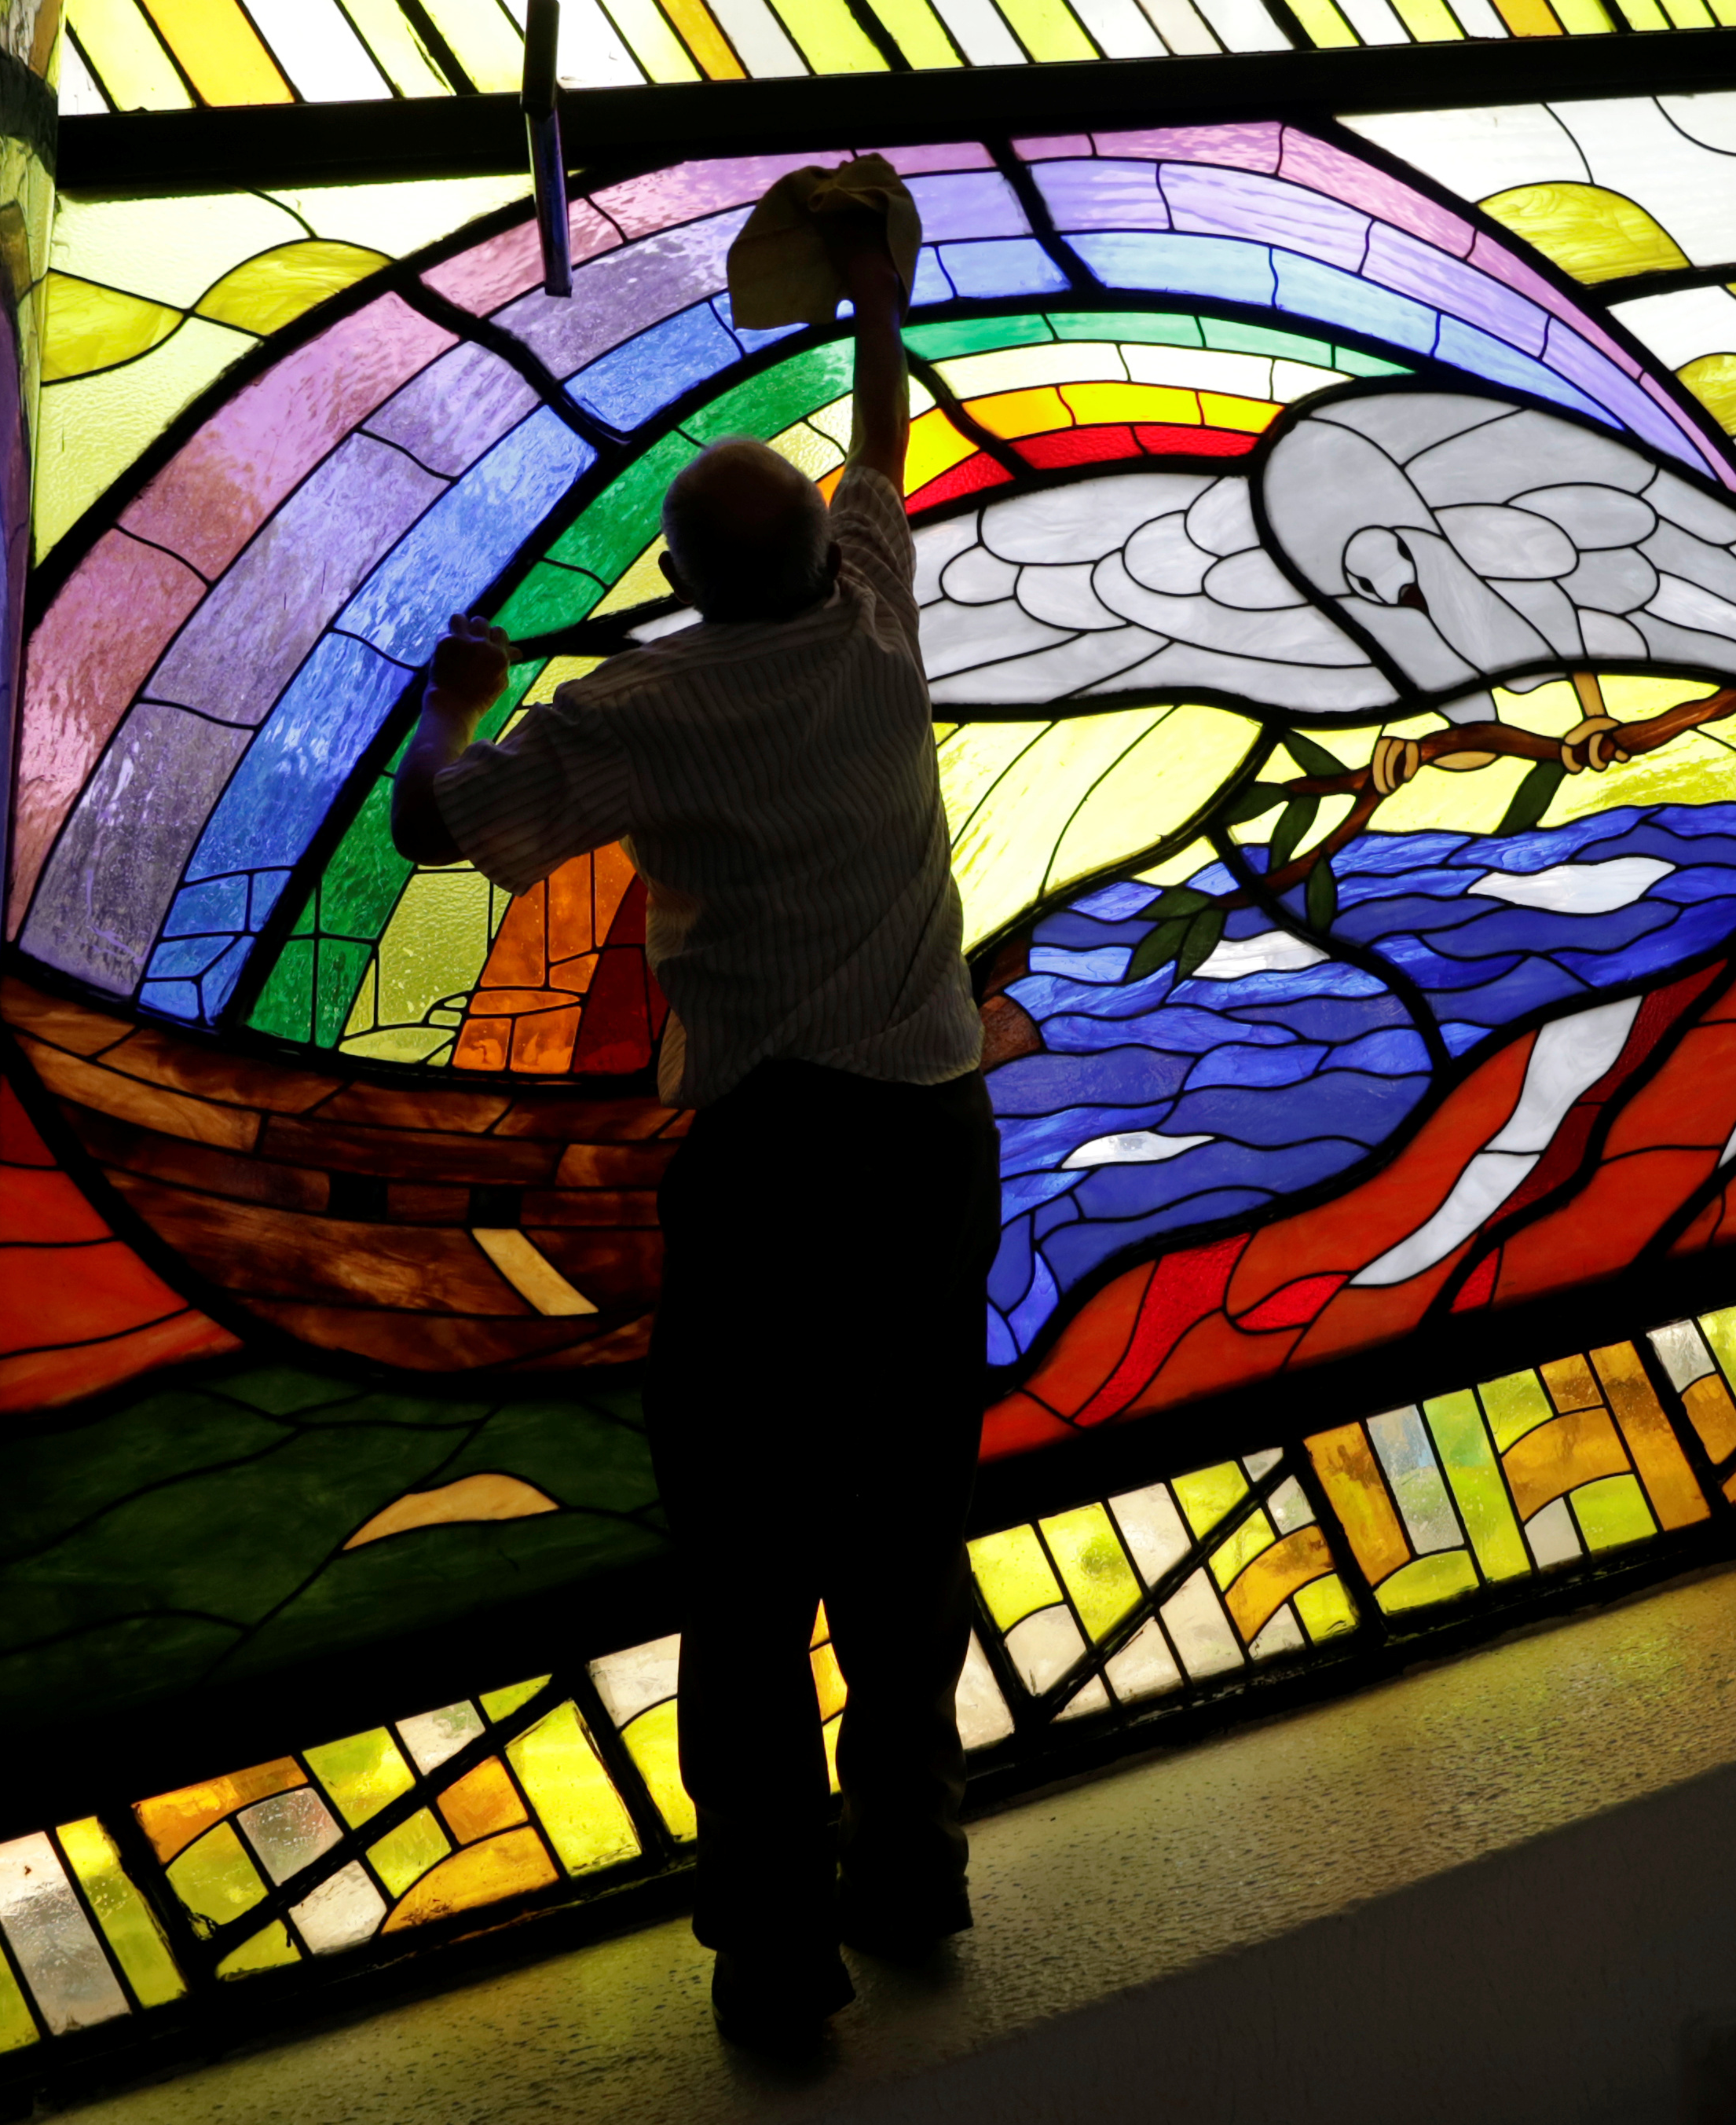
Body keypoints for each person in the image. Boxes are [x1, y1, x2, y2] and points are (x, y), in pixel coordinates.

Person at [388, 165, 995, 2047]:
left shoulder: (631, 718)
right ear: (823, 549)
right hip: (931, 1142)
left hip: (774, 1167)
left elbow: (442, 822)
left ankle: (776, 1957)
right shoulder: (878, 623)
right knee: (908, 1525)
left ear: (671, 590)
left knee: (749, 1554)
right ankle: (916, 1873)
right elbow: (887, 449)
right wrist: (877, 303)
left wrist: (456, 700)